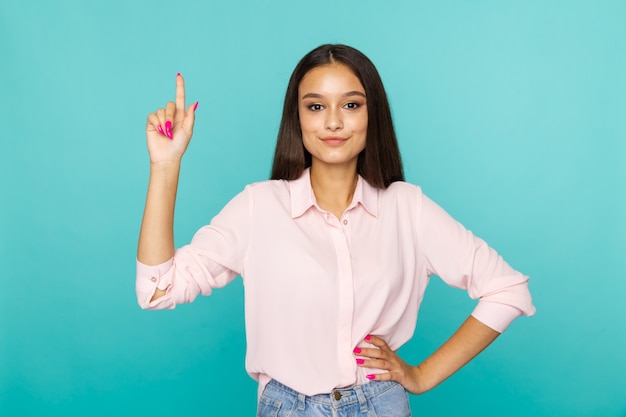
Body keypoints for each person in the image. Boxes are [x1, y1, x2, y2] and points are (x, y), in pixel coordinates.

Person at [137, 44, 535, 417]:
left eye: (350, 104)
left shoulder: (406, 208)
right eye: (315, 106)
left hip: (379, 403)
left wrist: (423, 375)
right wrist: (165, 166)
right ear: (298, 117)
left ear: (370, 114)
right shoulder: (259, 206)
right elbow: (158, 290)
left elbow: (507, 289)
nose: (332, 122)